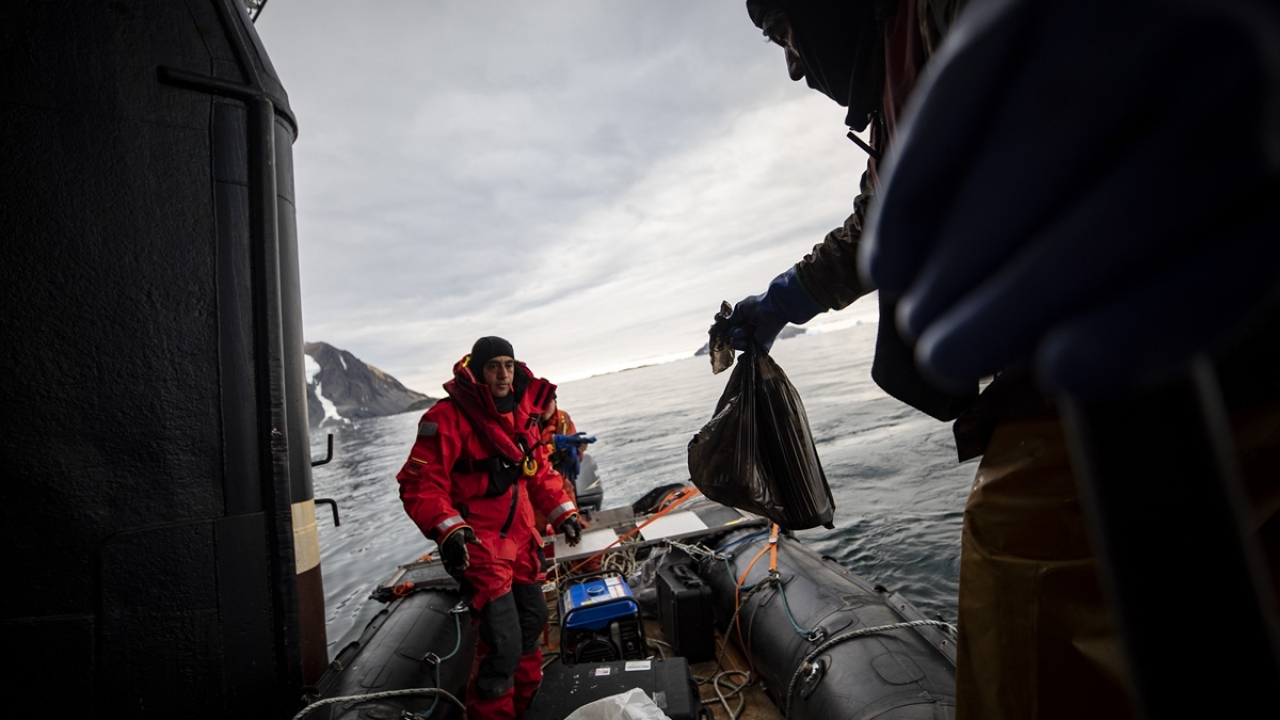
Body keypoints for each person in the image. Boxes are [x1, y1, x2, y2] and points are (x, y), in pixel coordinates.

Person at [719, 1, 1280, 718]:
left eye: (786, 33)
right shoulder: (897, 95)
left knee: (1023, 604)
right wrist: (785, 298)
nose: (795, 65)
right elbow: (878, 225)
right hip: (1106, 382)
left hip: (1178, 356)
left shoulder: (939, 15)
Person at [396, 336, 583, 720]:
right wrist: (447, 529)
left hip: (521, 539)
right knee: (503, 644)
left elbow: (537, 473)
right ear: (478, 371)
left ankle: (527, 707)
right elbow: (420, 483)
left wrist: (564, 512)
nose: (503, 374)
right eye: (494, 366)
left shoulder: (521, 416)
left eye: (508, 365)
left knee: (531, 624)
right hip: (480, 543)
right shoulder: (445, 419)